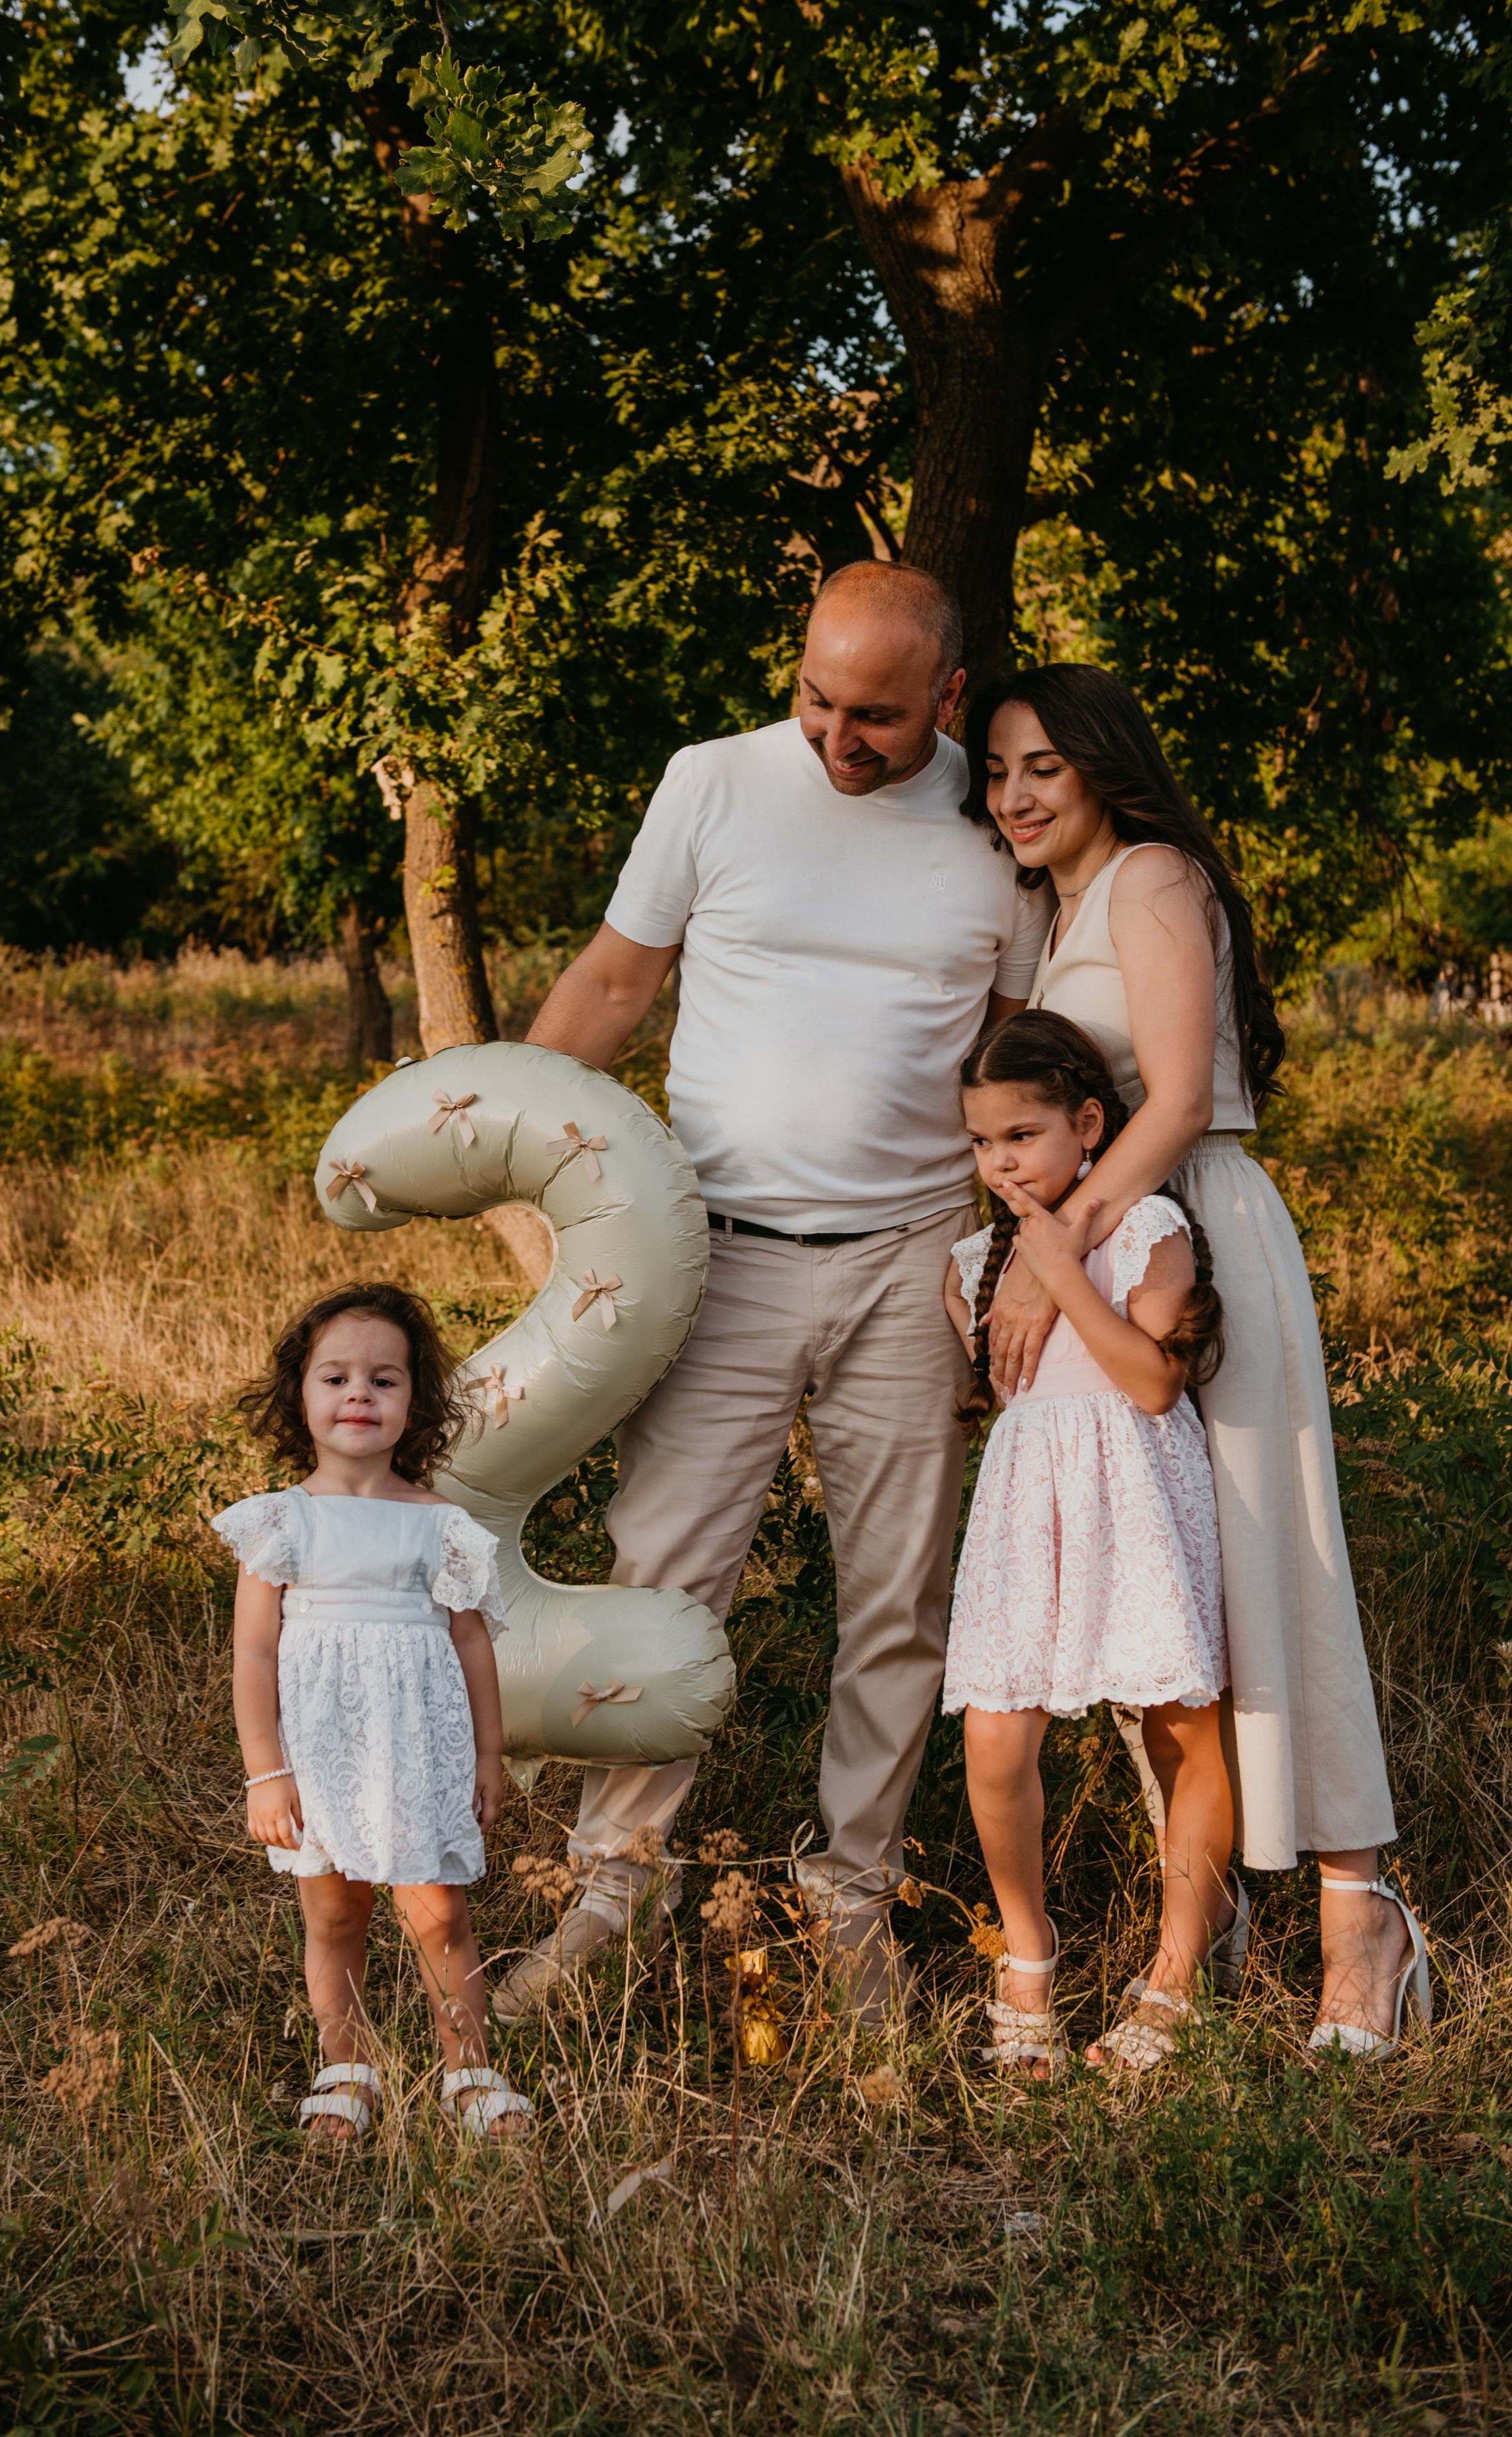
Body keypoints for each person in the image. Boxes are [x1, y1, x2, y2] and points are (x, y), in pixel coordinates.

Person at [494, 559, 1048, 2026]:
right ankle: (614, 1885)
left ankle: (853, 1891)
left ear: (947, 696)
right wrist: (505, 1151)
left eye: (876, 717)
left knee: (897, 1595)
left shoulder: (999, 825)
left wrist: (1023, 1256)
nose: (835, 738)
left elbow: (1013, 1052)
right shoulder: (713, 782)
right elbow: (614, 984)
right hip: (716, 1254)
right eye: (815, 699)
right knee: (660, 1581)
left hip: (909, 1260)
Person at [964, 665, 1430, 2059]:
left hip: (1192, 1223)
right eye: (996, 769)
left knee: (1270, 1568)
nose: (1014, 794)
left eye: (1043, 765)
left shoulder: (1155, 876)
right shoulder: (1057, 913)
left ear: (1103, 764)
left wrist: (1052, 1258)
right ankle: (1206, 1916)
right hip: (1102, 1250)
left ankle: (1360, 1919)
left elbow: (1168, 1100)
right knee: (1162, 1596)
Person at [943, 1011, 1235, 2075]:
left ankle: (1178, 1970)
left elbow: (1154, 1383)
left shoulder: (1146, 1227)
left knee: (1179, 1730)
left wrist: (1062, 1268)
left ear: (1090, 1125)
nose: (1001, 1162)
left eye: (1023, 1134)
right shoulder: (972, 1262)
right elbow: (1007, 1400)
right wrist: (1023, 1263)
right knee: (995, 1737)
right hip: (1030, 1509)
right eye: (983, 1142)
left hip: (1137, 1490)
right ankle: (1028, 1956)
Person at [216, 1281, 534, 2142]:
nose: (359, 1394)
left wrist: (488, 1756)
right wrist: (266, 1772)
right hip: (320, 1752)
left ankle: (469, 2072)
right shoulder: (280, 1523)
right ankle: (347, 2068)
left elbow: (472, 1645)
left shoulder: (439, 1523)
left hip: (420, 1749)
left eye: (384, 1380)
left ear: (414, 1403)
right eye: (336, 1377)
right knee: (335, 1913)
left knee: (440, 1916)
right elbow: (253, 1657)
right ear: (301, 1396)